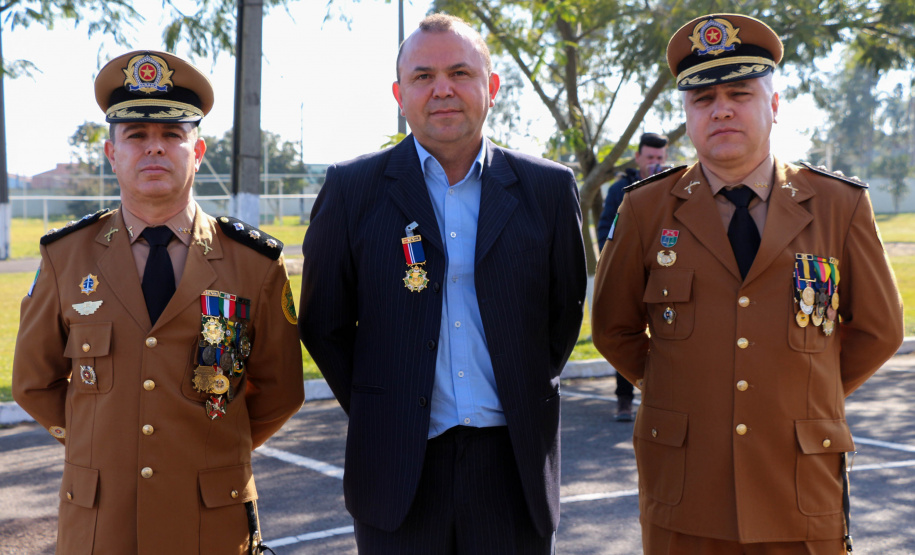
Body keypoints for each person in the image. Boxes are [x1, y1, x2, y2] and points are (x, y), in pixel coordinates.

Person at [591, 13, 903, 555]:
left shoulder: (838, 205)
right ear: (687, 115)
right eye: (703, 100)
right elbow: (614, 329)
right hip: (685, 490)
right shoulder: (644, 209)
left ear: (774, 106)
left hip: (798, 488)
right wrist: (685, 389)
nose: (723, 109)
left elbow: (879, 330)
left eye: (740, 93)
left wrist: (797, 394)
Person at [299, 13, 587, 554]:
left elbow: (563, 314)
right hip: (396, 469)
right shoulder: (351, 189)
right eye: (423, 76)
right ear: (399, 93)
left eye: (460, 72)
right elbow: (324, 324)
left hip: (513, 468)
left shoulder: (548, 188)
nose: (443, 90)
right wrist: (386, 404)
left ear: (492, 87)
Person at [12, 50, 304, 554]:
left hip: (210, 523)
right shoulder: (66, 257)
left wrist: (209, 447)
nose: (154, 149)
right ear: (112, 153)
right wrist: (99, 442)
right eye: (137, 136)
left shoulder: (255, 265)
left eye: (172, 135)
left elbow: (280, 390)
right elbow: (33, 382)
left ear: (199, 151)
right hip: (101, 523)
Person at [595, 132, 668, 422]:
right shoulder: (619, 189)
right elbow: (605, 229)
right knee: (624, 332)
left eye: (660, 158)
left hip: (664, 276)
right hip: (629, 275)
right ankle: (624, 401)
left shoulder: (676, 186)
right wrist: (615, 264)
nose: (655, 163)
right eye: (650, 157)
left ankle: (665, 394)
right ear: (638, 157)